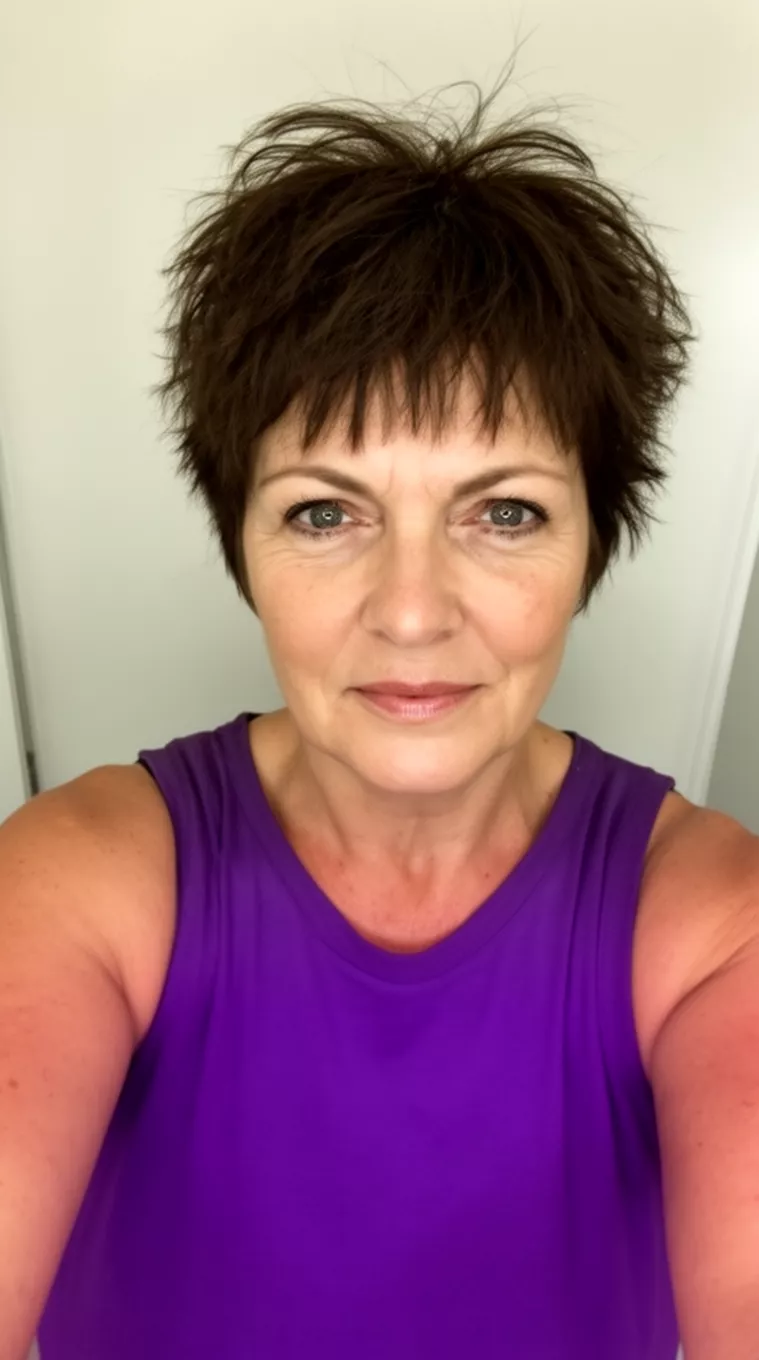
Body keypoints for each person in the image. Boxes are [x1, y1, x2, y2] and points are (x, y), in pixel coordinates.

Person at [2, 70, 758, 1360]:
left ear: (594, 544)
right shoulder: (77, 880)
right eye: (325, 512)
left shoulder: (707, 931)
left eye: (504, 511)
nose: (412, 612)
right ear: (242, 544)